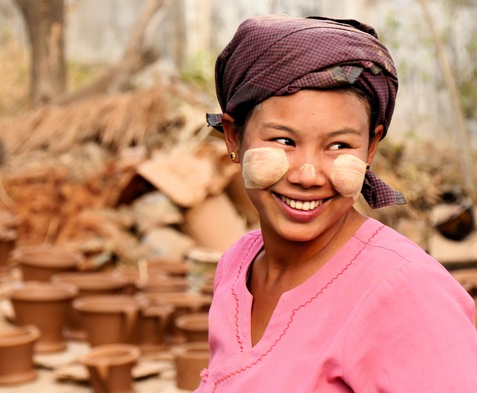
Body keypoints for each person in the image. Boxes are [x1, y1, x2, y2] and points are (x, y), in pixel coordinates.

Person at [197, 13, 477, 392]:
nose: (309, 174)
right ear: (233, 137)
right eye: (283, 141)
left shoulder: (405, 292)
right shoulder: (236, 265)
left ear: (371, 148)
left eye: (339, 146)